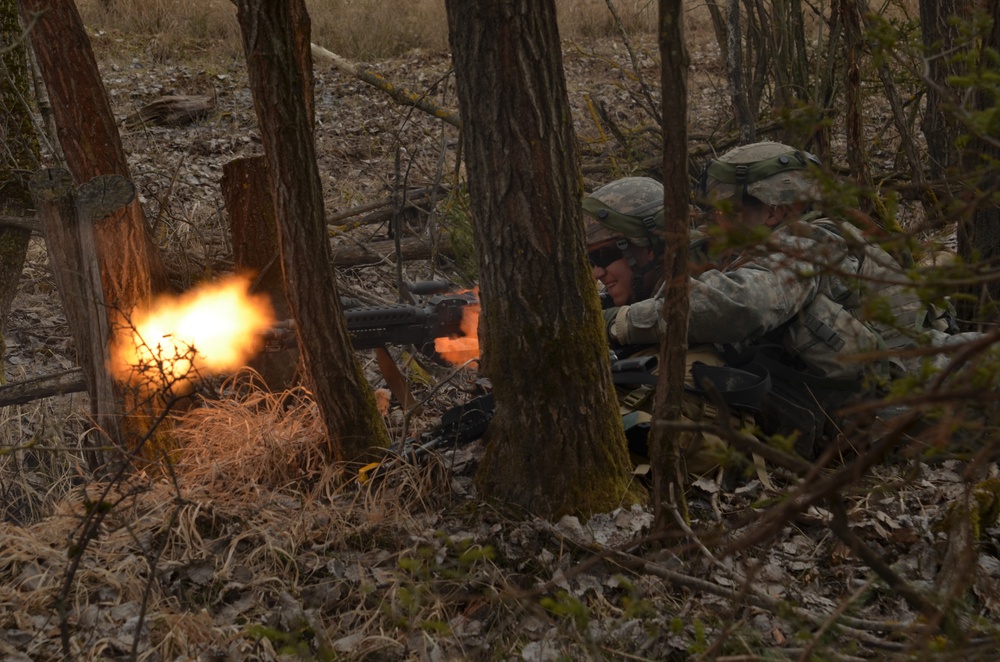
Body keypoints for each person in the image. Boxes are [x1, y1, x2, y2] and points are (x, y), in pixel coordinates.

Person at [584, 141, 964, 461]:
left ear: (774, 210)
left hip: (932, 407)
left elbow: (744, 304)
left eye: (726, 212)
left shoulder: (806, 245)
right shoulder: (753, 247)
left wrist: (619, 323)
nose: (714, 224)